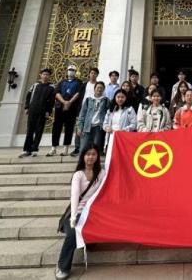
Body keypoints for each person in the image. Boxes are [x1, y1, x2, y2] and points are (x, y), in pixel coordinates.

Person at [55, 143, 105, 280]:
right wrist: (73, 218)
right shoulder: (78, 174)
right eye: (88, 154)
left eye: (93, 154)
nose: (90, 157)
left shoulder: (101, 173)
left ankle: (89, 243)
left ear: (97, 156)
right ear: (83, 156)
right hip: (75, 213)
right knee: (72, 234)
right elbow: (74, 196)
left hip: (91, 214)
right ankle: (62, 266)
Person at [20, 68, 55, 158]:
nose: (45, 76)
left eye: (47, 75)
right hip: (33, 110)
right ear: (40, 75)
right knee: (30, 130)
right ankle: (27, 149)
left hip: (43, 112)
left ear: (49, 76)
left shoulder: (51, 87)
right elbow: (28, 97)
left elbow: (51, 101)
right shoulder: (35, 85)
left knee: (39, 131)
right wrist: (27, 107)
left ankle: (34, 149)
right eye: (44, 74)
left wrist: (48, 111)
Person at [48, 65, 82, 157]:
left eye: (73, 70)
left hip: (72, 108)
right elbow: (57, 93)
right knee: (56, 128)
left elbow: (78, 93)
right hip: (60, 108)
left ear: (75, 72)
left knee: (69, 128)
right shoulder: (62, 82)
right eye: (69, 70)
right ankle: (53, 148)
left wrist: (69, 102)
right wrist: (64, 102)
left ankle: (66, 148)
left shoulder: (78, 82)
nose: (71, 71)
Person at [76, 81, 109, 154]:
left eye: (101, 88)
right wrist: (80, 127)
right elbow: (82, 114)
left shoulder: (106, 100)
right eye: (98, 87)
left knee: (96, 148)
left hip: (99, 128)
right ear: (94, 89)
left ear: (104, 89)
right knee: (83, 148)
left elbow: (109, 115)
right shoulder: (88, 100)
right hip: (87, 127)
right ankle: (82, 161)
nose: (99, 89)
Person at [72, 67, 99, 156]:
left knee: (90, 129)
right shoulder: (84, 84)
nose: (93, 75)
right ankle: (77, 148)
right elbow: (79, 95)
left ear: (97, 75)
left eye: (95, 73)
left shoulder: (98, 85)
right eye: (91, 73)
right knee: (79, 127)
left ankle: (89, 147)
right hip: (83, 108)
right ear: (89, 74)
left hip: (93, 110)